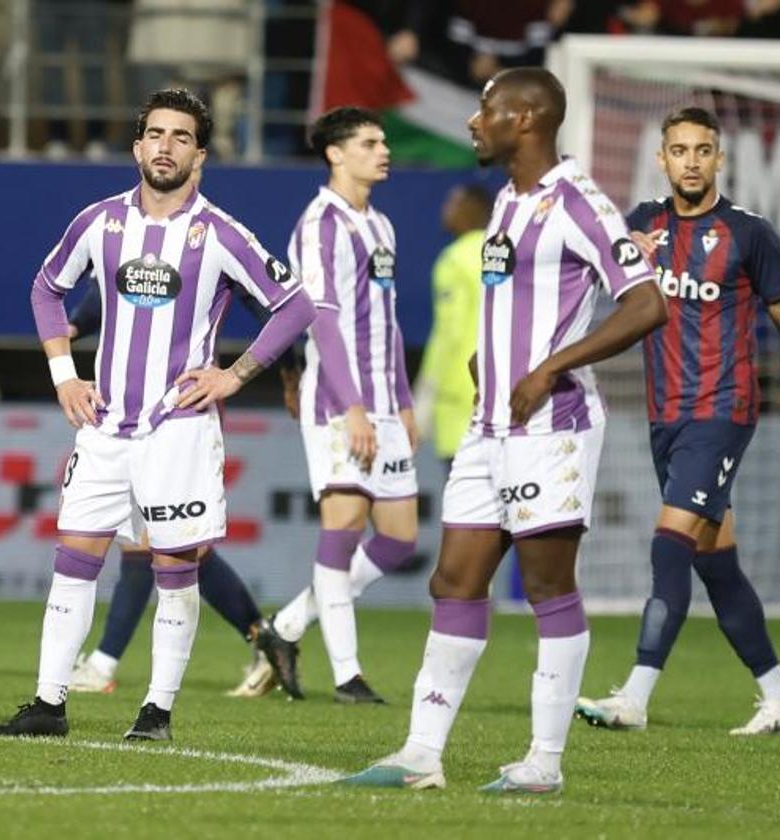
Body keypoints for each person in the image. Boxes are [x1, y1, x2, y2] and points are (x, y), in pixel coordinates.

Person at [342, 67, 666, 793]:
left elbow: (645, 305)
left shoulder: (577, 202)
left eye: (485, 110)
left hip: (551, 426)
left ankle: (544, 764)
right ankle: (421, 753)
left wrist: (550, 366)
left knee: (549, 586)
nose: (472, 121)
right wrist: (485, 356)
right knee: (453, 579)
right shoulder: (509, 204)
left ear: (525, 121)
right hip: (488, 426)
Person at [0, 88, 316, 741]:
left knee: (173, 569)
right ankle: (49, 706)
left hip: (178, 431)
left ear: (200, 155)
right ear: (137, 146)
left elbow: (295, 305)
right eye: (155, 134)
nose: (165, 146)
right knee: (74, 560)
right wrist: (64, 376)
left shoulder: (218, 233)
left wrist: (234, 374)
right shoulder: (100, 221)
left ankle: (156, 712)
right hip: (104, 428)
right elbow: (47, 288)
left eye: (180, 137)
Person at [575, 107, 780, 736]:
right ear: (661, 159)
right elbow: (592, 275)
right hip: (666, 417)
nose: (691, 161)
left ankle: (634, 697)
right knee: (717, 565)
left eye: (703, 150)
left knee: (669, 547)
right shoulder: (644, 226)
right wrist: (620, 254)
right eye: (679, 150)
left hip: (724, 409)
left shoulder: (749, 234)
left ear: (720, 159)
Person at [61, 276, 303, 699]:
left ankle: (103, 665)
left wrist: (275, 374)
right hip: (129, 414)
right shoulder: (131, 229)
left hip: (181, 412)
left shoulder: (209, 238)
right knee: (153, 543)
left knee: (161, 543)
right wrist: (74, 327)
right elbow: (110, 292)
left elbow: (274, 305)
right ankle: (266, 638)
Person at [254, 107, 420, 705]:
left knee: (399, 538)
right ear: (336, 154)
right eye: (371, 143)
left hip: (383, 400)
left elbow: (388, 321)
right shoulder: (321, 225)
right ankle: (348, 674)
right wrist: (352, 406)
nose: (384, 151)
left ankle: (288, 627)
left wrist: (401, 400)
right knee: (344, 526)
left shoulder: (380, 225)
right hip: (336, 402)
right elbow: (320, 321)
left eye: (383, 142)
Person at [413, 183, 493, 474]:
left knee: (467, 513)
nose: (445, 210)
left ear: (475, 209)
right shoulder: (504, 251)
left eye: (454, 203)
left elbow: (448, 335)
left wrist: (424, 398)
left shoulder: (455, 260)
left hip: (461, 406)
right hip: (503, 404)